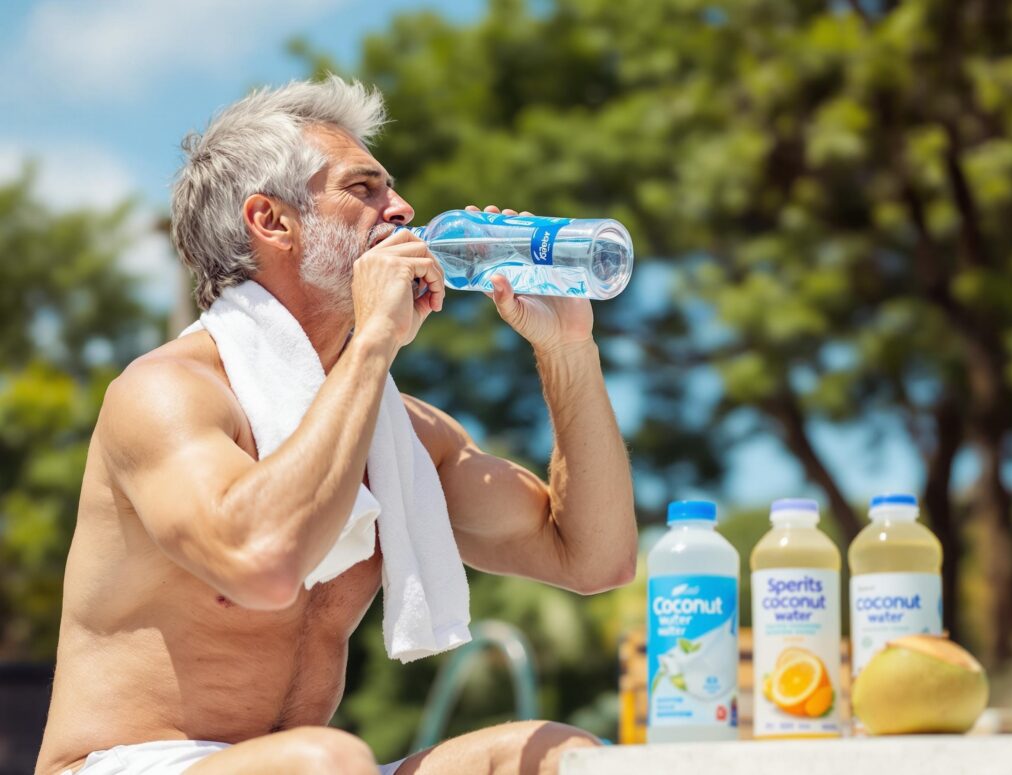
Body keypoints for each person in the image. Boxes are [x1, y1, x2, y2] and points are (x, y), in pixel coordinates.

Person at [35, 76, 637, 775]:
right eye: (366, 189)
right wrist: (376, 340)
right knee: (326, 761)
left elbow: (595, 558)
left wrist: (567, 351)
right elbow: (263, 563)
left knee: (559, 755)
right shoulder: (168, 392)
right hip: (127, 764)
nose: (403, 209)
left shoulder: (401, 430)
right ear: (273, 221)